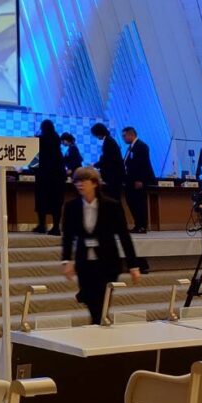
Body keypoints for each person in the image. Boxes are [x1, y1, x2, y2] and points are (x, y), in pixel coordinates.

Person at [61, 166, 141, 325]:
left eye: (84, 181)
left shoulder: (111, 206)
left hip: (107, 262)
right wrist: (66, 261)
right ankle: (99, 324)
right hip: (84, 262)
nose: (79, 184)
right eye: (76, 181)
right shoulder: (71, 207)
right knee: (90, 300)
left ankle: (98, 325)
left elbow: (124, 236)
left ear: (94, 183)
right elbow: (68, 237)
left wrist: (133, 265)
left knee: (102, 299)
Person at [33, 120, 66, 236]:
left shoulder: (40, 140)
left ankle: (42, 225)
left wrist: (32, 169)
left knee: (41, 201)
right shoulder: (57, 140)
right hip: (57, 178)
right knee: (56, 203)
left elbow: (34, 160)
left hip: (43, 177)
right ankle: (56, 227)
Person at [121, 126, 154, 233]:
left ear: (131, 134)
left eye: (124, 136)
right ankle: (137, 224)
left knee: (139, 203)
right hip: (130, 180)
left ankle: (142, 226)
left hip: (138, 180)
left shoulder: (141, 146)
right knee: (131, 201)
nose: (123, 138)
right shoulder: (130, 147)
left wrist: (140, 180)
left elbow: (143, 164)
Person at [91, 122, 125, 203]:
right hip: (114, 176)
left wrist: (94, 165)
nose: (96, 137)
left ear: (99, 132)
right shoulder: (109, 140)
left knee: (114, 200)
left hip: (114, 176)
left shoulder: (108, 142)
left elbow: (107, 159)